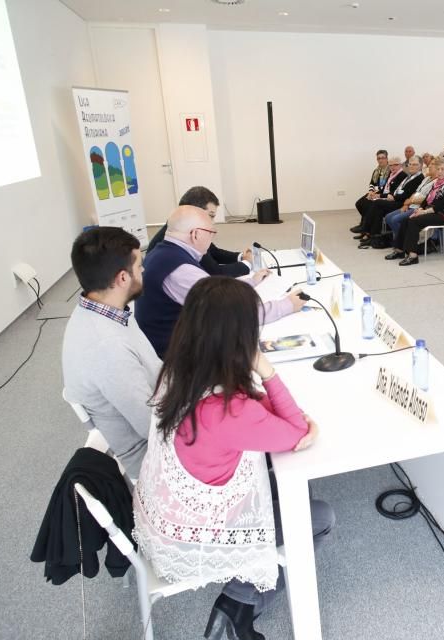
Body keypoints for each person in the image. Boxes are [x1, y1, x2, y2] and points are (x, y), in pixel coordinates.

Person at [133, 277, 334, 640]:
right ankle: (241, 598)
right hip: (190, 537)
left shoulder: (180, 369)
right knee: (319, 516)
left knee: (278, 479)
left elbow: (255, 407)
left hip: (164, 510)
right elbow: (295, 432)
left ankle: (241, 598)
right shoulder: (227, 410)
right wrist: (267, 369)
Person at [136, 206, 303, 357]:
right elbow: (232, 313)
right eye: (211, 233)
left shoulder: (163, 253)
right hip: (178, 356)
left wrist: (252, 282)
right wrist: (288, 304)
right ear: (196, 234)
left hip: (173, 338)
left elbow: (213, 291)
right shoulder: (180, 271)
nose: (212, 238)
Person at [62, 227, 161, 479]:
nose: (144, 271)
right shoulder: (108, 348)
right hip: (155, 458)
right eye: (139, 267)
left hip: (162, 403)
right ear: (122, 278)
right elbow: (153, 428)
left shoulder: (100, 307)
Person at [149, 186, 252, 278]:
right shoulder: (186, 236)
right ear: (195, 211)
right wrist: (246, 264)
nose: (212, 222)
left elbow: (213, 252)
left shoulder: (179, 228)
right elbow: (214, 273)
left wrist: (241, 256)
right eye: (210, 216)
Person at [385, 157, 444, 266]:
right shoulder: (437, 183)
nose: (439, 172)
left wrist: (423, 212)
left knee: (414, 221)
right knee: (407, 219)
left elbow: (441, 205)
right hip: (433, 212)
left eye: (442, 169)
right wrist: (420, 208)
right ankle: (400, 250)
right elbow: (427, 199)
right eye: (438, 169)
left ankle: (413, 255)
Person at [356, 155, 425, 247]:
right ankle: (373, 236)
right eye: (410, 164)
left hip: (401, 202)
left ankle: (366, 229)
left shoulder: (419, 178)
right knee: (377, 208)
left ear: (420, 166)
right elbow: (399, 190)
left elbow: (406, 195)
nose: (411, 166)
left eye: (415, 164)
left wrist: (393, 196)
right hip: (396, 199)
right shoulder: (410, 176)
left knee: (377, 203)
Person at [351, 155, 405, 233]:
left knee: (371, 203)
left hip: (392, 199)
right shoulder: (383, 172)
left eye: (395, 165)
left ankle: (367, 230)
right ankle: (364, 226)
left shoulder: (402, 175)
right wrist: (372, 193)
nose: (393, 167)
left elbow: (393, 193)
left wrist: (379, 195)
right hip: (382, 194)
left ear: (400, 165)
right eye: (391, 165)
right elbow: (376, 185)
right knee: (362, 202)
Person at [353, 149, 390, 220]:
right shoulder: (376, 171)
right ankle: (366, 222)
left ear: (387, 159)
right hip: (374, 192)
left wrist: (375, 193)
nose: (380, 160)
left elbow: (387, 186)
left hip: (383, 193)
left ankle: (367, 223)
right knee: (359, 203)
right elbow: (372, 183)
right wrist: (370, 191)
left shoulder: (390, 170)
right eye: (378, 158)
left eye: (383, 158)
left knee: (368, 204)